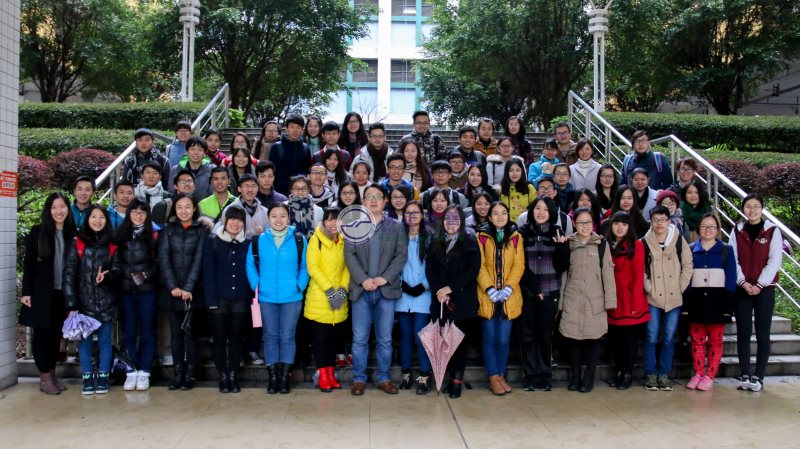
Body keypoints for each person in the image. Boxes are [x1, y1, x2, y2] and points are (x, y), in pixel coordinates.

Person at [345, 183, 408, 396]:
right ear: (363, 202)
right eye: (369, 197)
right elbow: (349, 255)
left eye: (378, 196)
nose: (373, 200)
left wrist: (384, 278)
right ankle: (358, 379)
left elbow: (401, 255)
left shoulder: (396, 227)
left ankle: (384, 378)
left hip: (385, 290)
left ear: (385, 201)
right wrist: (363, 279)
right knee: (359, 338)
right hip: (361, 290)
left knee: (385, 338)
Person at [247, 203, 310, 394]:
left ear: (288, 218)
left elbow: (305, 266)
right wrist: (256, 285)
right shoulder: (259, 240)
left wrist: (299, 285)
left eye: (283, 216)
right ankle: (273, 377)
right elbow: (250, 264)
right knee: (271, 336)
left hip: (291, 297)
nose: (278, 220)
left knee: (288, 336)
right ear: (269, 218)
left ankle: (284, 378)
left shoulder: (298, 239)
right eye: (274, 216)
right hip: (266, 297)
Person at [19, 192, 77, 395]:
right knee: (42, 336)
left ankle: (52, 374)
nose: (58, 211)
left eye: (62, 207)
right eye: (54, 207)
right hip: (41, 293)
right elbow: (29, 264)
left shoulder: (72, 233)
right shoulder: (38, 232)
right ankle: (44, 378)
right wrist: (26, 292)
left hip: (63, 293)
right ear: (48, 210)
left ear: (68, 209)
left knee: (55, 336)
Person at [425, 205, 481, 398]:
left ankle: (457, 381)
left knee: (460, 343)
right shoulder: (436, 241)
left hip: (462, 300)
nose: (451, 222)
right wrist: (439, 290)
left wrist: (450, 288)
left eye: (455, 218)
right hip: (441, 300)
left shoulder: (470, 241)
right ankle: (448, 377)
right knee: (445, 341)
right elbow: (430, 269)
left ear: (462, 221)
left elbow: (472, 271)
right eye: (448, 218)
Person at [729, 193, 783, 392]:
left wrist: (759, 284)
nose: (752, 210)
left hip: (765, 289)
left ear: (762, 209)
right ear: (743, 209)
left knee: (762, 334)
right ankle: (745, 374)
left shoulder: (772, 231)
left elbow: (774, 261)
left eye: (756, 206)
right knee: (743, 333)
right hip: (742, 288)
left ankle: (759, 376)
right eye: (748, 206)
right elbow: (733, 259)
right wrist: (743, 282)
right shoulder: (737, 230)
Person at [63, 204, 119, 395]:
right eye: (93, 217)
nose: (97, 221)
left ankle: (103, 377)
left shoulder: (112, 243)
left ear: (107, 220)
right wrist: (72, 304)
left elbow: (118, 271)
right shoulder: (78, 243)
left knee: (105, 342)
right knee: (85, 343)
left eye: (101, 217)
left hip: (106, 302)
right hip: (83, 304)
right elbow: (69, 275)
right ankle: (87, 378)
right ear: (87, 219)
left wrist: (108, 276)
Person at [560, 207, 616, 393]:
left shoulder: (601, 244)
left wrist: (610, 302)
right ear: (574, 223)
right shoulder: (569, 243)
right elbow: (564, 274)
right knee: (573, 340)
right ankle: (575, 376)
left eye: (588, 222)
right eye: (581, 222)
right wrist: (560, 301)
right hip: (573, 298)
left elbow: (608, 274)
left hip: (595, 300)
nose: (585, 226)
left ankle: (589, 376)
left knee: (594, 340)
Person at [158, 193, 210, 391]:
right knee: (176, 334)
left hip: (193, 292)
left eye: (187, 207)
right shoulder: (167, 230)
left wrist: (188, 287)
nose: (183, 211)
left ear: (194, 208)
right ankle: (177, 374)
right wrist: (173, 287)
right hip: (171, 292)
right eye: (179, 207)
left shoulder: (202, 231)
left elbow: (199, 260)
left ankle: (190, 375)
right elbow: (163, 259)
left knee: (191, 334)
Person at [518, 197, 569, 391]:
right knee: (528, 334)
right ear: (531, 211)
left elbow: (563, 265)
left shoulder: (557, 233)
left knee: (545, 335)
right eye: (537, 208)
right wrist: (533, 287)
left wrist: (562, 247)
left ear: (552, 213)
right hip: (527, 292)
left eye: (546, 209)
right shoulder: (522, 233)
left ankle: (544, 375)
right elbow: (518, 264)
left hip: (550, 290)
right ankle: (530, 375)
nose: (541, 212)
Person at [641, 205, 693, 391]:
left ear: (669, 221)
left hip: (674, 297)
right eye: (655, 220)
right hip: (653, 298)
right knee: (651, 336)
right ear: (651, 222)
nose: (659, 224)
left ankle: (663, 374)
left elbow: (688, 265)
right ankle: (650, 374)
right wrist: (649, 288)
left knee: (669, 337)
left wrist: (680, 287)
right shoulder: (644, 242)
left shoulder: (678, 240)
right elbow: (641, 269)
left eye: (662, 220)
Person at [476, 202, 525, 395]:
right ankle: (493, 376)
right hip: (487, 295)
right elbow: (479, 265)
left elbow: (519, 264)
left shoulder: (516, 236)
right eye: (495, 213)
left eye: (503, 213)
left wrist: (508, 287)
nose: (500, 217)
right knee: (489, 338)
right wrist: (489, 288)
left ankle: (501, 375)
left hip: (508, 296)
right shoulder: (481, 236)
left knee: (503, 339)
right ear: (489, 217)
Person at [203, 205, 253, 393]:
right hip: (219, 299)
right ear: (225, 221)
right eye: (232, 219)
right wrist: (211, 300)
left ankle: (232, 374)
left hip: (240, 298)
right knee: (219, 339)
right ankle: (223, 376)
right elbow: (208, 273)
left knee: (236, 339)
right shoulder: (213, 241)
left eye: (239, 220)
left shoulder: (247, 243)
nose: (235, 223)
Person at [684, 213, 737, 391]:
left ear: (718, 229)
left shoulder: (726, 250)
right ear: (699, 229)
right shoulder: (691, 249)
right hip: (696, 301)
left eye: (712, 227)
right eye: (704, 226)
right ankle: (698, 373)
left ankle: (709, 375)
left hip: (718, 301)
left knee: (715, 341)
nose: (708, 230)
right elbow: (686, 277)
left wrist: (728, 306)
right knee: (697, 340)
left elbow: (731, 279)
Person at [113, 199, 159, 392]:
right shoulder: (120, 234)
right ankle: (131, 369)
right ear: (129, 213)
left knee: (147, 331)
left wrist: (146, 275)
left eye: (142, 212)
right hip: (126, 291)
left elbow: (160, 262)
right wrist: (120, 276)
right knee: (129, 331)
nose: (138, 215)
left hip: (147, 290)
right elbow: (115, 261)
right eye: (134, 211)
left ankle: (145, 370)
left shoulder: (154, 234)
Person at [304, 207, 349, 393]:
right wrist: (330, 290)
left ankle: (331, 374)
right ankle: (322, 376)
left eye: (337, 219)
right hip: (320, 298)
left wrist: (343, 290)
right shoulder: (316, 240)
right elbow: (313, 267)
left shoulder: (345, 240)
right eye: (329, 219)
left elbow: (348, 267)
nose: (333, 223)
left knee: (333, 341)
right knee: (321, 340)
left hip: (339, 299)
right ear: (323, 222)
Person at [604, 211, 648, 390]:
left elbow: (638, 276)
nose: (620, 227)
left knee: (629, 340)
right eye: (616, 223)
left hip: (630, 300)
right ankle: (618, 372)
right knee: (616, 340)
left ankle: (627, 373)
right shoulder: (606, 245)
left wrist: (636, 303)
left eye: (624, 224)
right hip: (613, 300)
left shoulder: (636, 245)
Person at [395, 201, 433, 394]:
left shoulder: (430, 238)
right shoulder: (398, 237)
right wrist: (401, 283)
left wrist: (424, 285)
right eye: (408, 213)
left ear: (422, 215)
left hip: (423, 294)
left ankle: (425, 375)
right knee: (405, 336)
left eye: (415, 212)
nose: (412, 215)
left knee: (420, 336)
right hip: (402, 294)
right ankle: (406, 373)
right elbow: (392, 263)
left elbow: (435, 266)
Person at [213, 173, 268, 239]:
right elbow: (223, 235)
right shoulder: (228, 210)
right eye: (246, 186)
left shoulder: (265, 212)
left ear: (258, 188)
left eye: (253, 186)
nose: (250, 189)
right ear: (239, 189)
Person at [269, 114, 312, 195]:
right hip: (280, 192)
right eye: (292, 127)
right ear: (286, 129)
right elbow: (271, 171)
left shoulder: (306, 148)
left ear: (302, 130)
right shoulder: (277, 147)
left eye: (298, 127)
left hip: (301, 192)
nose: (295, 130)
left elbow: (307, 170)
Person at [497, 159, 535, 224]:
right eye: (511, 170)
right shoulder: (500, 189)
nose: (515, 174)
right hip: (507, 225)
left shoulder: (529, 188)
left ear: (522, 171)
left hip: (524, 225)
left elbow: (536, 206)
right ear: (507, 172)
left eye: (518, 170)